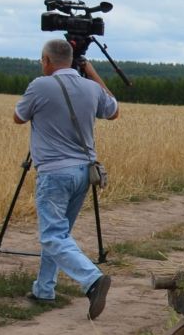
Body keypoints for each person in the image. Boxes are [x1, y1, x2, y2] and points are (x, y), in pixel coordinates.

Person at [12, 38, 118, 318]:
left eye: (41, 60)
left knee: (52, 235)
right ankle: (44, 289)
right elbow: (113, 110)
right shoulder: (91, 87)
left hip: (54, 173)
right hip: (84, 172)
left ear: (47, 61)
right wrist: (93, 73)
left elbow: (18, 117)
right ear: (73, 60)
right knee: (60, 234)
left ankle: (92, 280)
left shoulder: (40, 85)